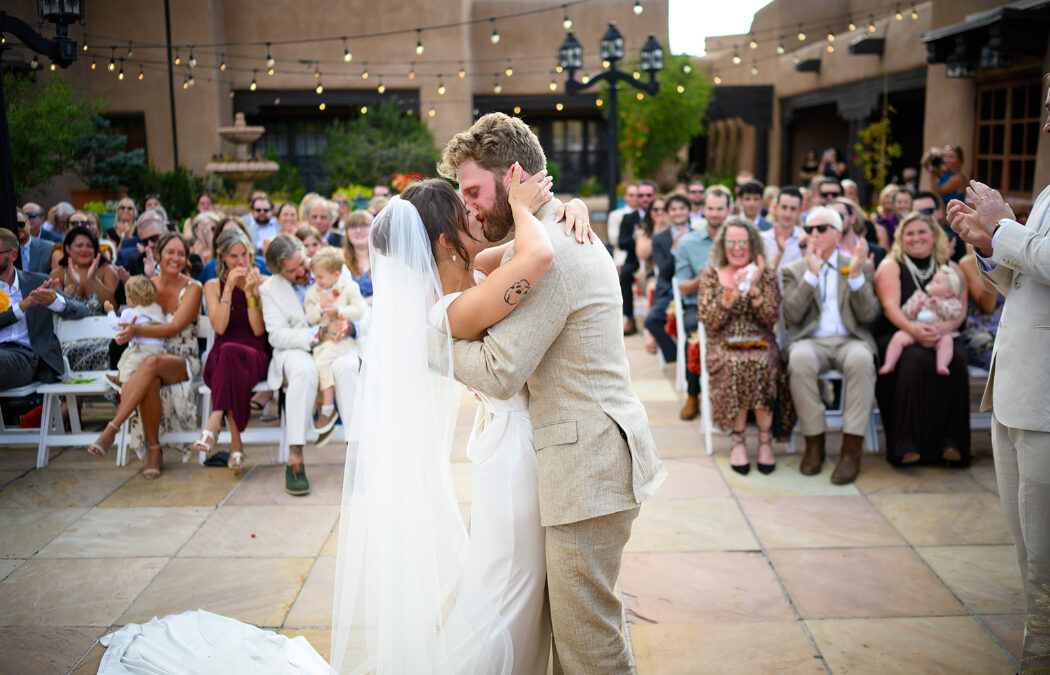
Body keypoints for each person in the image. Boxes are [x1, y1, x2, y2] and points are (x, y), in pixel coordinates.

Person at [417, 112, 664, 673]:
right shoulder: (542, 235)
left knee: (589, 644)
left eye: (475, 191)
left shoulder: (553, 249)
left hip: (589, 469)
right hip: (582, 462)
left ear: (512, 176)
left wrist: (422, 345)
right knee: (572, 633)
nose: (470, 206)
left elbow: (502, 371)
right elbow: (486, 264)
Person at [947, 89, 1050, 666]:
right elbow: (1023, 283)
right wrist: (989, 246)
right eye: (1047, 108)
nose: (1047, 122)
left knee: (1046, 557)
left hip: (1048, 405)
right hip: (1015, 389)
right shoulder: (1048, 194)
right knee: (1026, 546)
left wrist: (1006, 227)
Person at [87, 233, 203, 479]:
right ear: (159, 254)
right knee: (149, 376)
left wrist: (136, 330)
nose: (176, 258)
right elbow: (119, 307)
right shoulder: (147, 285)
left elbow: (173, 328)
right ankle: (154, 450)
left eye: (181, 253)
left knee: (151, 363)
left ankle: (112, 428)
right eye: (170, 252)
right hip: (148, 360)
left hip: (182, 358)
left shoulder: (194, 288)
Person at [259, 234, 363, 495]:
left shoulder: (335, 269)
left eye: (302, 264)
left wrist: (351, 326)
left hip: (340, 341)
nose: (302, 272)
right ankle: (295, 456)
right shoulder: (269, 289)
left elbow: (358, 307)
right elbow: (277, 335)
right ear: (279, 271)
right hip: (298, 347)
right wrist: (315, 336)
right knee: (304, 371)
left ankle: (356, 458)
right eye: (292, 271)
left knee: (346, 367)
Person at [783, 206, 878, 484]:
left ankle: (851, 449)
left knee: (862, 360)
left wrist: (857, 277)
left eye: (821, 228)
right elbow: (792, 314)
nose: (814, 234)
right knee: (798, 360)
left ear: (837, 234)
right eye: (809, 229)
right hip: (811, 342)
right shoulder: (794, 270)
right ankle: (814, 443)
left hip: (850, 340)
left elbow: (868, 316)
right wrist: (811, 276)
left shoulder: (859, 265)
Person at [873, 212, 970, 466]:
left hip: (942, 332)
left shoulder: (951, 268)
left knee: (957, 359)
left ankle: (952, 443)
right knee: (914, 358)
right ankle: (907, 444)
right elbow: (890, 307)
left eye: (921, 232)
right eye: (910, 233)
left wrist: (944, 329)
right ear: (901, 238)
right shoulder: (891, 265)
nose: (916, 238)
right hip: (899, 331)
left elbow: (960, 309)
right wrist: (914, 331)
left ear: (934, 236)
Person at [697, 217, 790, 474]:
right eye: (731, 243)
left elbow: (771, 317)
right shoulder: (710, 275)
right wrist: (734, 293)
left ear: (752, 245)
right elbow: (709, 320)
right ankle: (737, 440)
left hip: (759, 340)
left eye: (742, 242)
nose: (737, 248)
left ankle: (764, 441)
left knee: (762, 363)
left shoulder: (766, 274)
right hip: (723, 342)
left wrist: (756, 289)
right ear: (723, 246)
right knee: (736, 363)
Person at [191, 228, 269, 472]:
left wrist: (250, 294)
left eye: (244, 254)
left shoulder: (261, 281)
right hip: (223, 352)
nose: (241, 261)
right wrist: (228, 289)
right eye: (234, 256)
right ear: (222, 257)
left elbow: (257, 331)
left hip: (254, 352)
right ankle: (236, 446)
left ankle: (215, 421)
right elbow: (220, 326)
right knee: (228, 356)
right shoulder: (213, 285)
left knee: (230, 356)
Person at [0, 228, 89, 390]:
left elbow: (81, 309)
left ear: (13, 255)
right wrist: (22, 306)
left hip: (27, 356)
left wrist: (54, 302)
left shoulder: (37, 282)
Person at [674, 185, 728, 420]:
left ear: (729, 210)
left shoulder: (739, 238)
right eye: (711, 208)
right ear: (703, 209)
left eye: (720, 209)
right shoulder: (688, 242)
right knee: (694, 330)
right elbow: (682, 287)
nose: (715, 213)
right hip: (698, 304)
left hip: (734, 304)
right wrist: (704, 277)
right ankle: (693, 394)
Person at [303, 246, 366, 436]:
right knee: (322, 360)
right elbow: (310, 317)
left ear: (336, 274)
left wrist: (339, 311)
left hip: (343, 339)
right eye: (315, 277)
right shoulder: (312, 292)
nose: (316, 281)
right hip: (324, 341)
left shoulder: (349, 287)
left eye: (320, 277)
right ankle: (328, 407)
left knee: (322, 362)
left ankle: (327, 407)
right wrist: (321, 310)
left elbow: (359, 311)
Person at [49, 226, 120, 371]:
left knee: (107, 352)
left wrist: (93, 280)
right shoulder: (57, 274)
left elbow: (114, 306)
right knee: (65, 355)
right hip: (69, 339)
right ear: (68, 248)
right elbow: (53, 310)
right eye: (79, 245)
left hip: (103, 338)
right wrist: (72, 287)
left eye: (89, 246)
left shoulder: (106, 270)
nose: (85, 250)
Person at [879, 265, 965, 376]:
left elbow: (953, 314)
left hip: (937, 334)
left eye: (937, 283)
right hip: (916, 330)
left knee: (947, 342)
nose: (932, 283)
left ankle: (942, 365)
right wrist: (915, 309)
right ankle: (889, 363)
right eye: (933, 280)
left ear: (949, 292)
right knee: (898, 337)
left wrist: (939, 304)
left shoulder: (951, 302)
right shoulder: (920, 296)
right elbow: (905, 312)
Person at [643, 194, 691, 363]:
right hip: (668, 292)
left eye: (682, 208)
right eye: (674, 209)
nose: (678, 212)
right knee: (651, 320)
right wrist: (675, 249)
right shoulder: (660, 238)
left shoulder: (697, 234)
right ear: (669, 213)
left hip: (692, 290)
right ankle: (677, 357)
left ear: (688, 211)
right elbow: (664, 271)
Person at [104, 275, 165, 386]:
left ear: (131, 300)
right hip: (159, 349)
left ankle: (124, 384)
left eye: (127, 296)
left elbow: (116, 324)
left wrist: (110, 312)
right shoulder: (157, 308)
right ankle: (119, 377)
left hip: (141, 350)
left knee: (128, 365)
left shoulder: (130, 313)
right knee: (125, 357)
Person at [618, 180, 655, 335]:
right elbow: (621, 243)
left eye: (648, 195)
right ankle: (630, 318)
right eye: (641, 195)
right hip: (635, 261)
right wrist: (636, 239)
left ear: (654, 196)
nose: (645, 198)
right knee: (625, 274)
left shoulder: (659, 214)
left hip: (654, 261)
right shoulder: (629, 218)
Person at [957, 245, 1002, 370]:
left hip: (1006, 323)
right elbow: (988, 307)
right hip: (980, 329)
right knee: (1000, 357)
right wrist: (990, 268)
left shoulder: (1009, 258)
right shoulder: (968, 263)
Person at [763, 187, 805, 273]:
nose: (787, 214)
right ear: (775, 209)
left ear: (800, 211)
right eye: (784, 207)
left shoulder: (805, 240)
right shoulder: (763, 239)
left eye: (793, 209)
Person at [341, 210, 373, 301]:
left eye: (363, 225)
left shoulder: (384, 259)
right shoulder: (340, 261)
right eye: (353, 227)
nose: (358, 230)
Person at [14, 208, 53, 274]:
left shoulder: (49, 248)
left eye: (21, 224)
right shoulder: (5, 252)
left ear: (28, 223)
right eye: (14, 225)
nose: (18, 228)